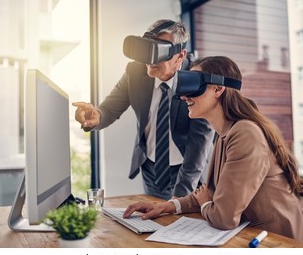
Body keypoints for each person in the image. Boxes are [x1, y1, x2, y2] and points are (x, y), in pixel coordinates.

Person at [123, 56, 303, 247]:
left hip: (288, 245)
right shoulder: (226, 133)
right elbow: (210, 193)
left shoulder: (245, 133)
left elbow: (223, 217)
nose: (184, 95)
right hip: (259, 240)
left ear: (218, 89)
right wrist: (168, 207)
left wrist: (206, 203)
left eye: (193, 85)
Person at [72, 19, 214, 200]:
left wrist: (178, 202)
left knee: (184, 225)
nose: (150, 59)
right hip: (151, 169)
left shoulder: (197, 80)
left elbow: (199, 145)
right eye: (147, 49)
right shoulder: (135, 72)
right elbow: (110, 108)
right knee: (153, 225)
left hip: (189, 173)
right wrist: (96, 116)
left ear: (180, 55)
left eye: (159, 51)